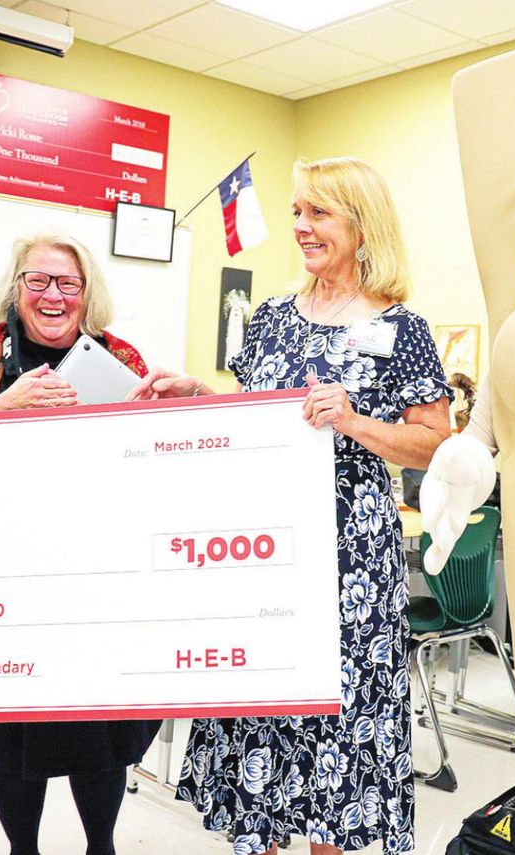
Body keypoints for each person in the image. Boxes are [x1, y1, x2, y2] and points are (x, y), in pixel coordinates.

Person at [128, 156, 453, 854]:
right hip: (269, 551)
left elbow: (434, 445)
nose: (300, 227)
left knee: (335, 727)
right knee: (264, 720)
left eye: (318, 213)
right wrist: (200, 396)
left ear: (361, 226)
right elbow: (259, 421)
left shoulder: (404, 329)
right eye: (297, 211)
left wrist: (357, 420)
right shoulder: (271, 316)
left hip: (353, 567)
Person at [0, 232, 161, 855]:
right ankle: (21, 849)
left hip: (97, 573)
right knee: (7, 727)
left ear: (88, 295)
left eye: (68, 284)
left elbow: (156, 451)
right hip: (2, 575)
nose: (53, 296)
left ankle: (100, 846)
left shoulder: (119, 355)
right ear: (16, 288)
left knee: (100, 721)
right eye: (38, 281)